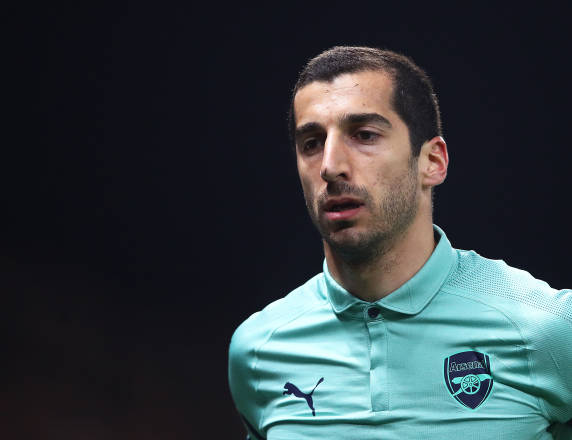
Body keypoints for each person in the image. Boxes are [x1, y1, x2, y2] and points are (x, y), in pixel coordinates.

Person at [228, 46, 572, 439]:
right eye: (311, 142)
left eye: (364, 135)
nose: (329, 165)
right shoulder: (258, 350)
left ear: (432, 161)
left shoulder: (547, 328)